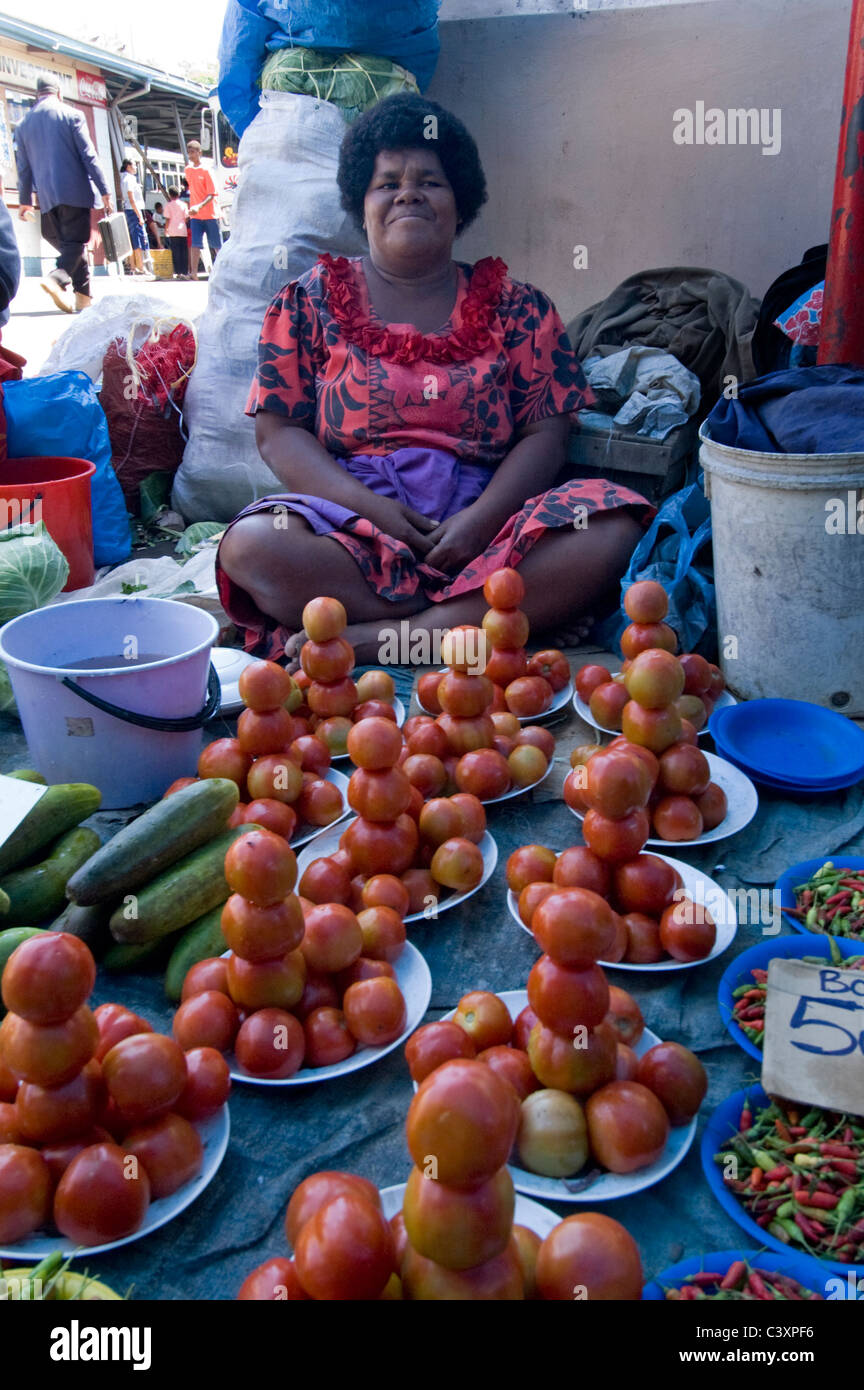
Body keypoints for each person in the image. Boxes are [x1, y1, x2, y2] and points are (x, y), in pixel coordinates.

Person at [217, 94, 649, 664]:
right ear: (360, 203)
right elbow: (278, 434)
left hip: (487, 531)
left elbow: (547, 433)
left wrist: (479, 523)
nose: (408, 193)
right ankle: (482, 623)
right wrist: (371, 511)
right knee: (251, 545)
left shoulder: (521, 308)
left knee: (612, 525)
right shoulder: (306, 303)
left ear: (460, 201)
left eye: (431, 181)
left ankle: (387, 638)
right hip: (351, 532)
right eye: (386, 182)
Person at [14, 75, 112, 313]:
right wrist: (105, 189)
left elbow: (23, 168)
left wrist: (25, 202)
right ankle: (57, 278)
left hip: (46, 198)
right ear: (58, 92)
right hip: (74, 191)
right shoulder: (72, 115)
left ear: (37, 94)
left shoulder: (23, 125)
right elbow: (88, 156)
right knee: (76, 243)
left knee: (70, 244)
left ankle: (83, 297)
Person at [184, 140, 221, 279]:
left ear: (200, 152)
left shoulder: (207, 170)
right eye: (189, 152)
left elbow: (212, 194)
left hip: (210, 214)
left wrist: (199, 206)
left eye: (193, 152)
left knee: (216, 245)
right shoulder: (188, 170)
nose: (191, 155)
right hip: (196, 216)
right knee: (195, 244)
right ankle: (193, 273)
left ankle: (223, 272)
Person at [120, 159, 149, 276]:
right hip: (133, 210)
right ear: (128, 166)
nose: (136, 168)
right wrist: (139, 215)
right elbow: (132, 199)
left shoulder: (124, 178)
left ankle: (133, 266)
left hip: (129, 210)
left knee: (132, 239)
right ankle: (140, 267)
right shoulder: (130, 179)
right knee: (138, 239)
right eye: (134, 165)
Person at [164, 187, 189, 279]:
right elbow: (187, 217)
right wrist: (182, 223)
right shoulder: (184, 205)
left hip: (172, 230)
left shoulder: (168, 205)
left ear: (170, 195)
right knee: (184, 251)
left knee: (176, 252)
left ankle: (178, 272)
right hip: (182, 230)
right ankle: (185, 271)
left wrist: (166, 229)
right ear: (178, 194)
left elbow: (167, 219)